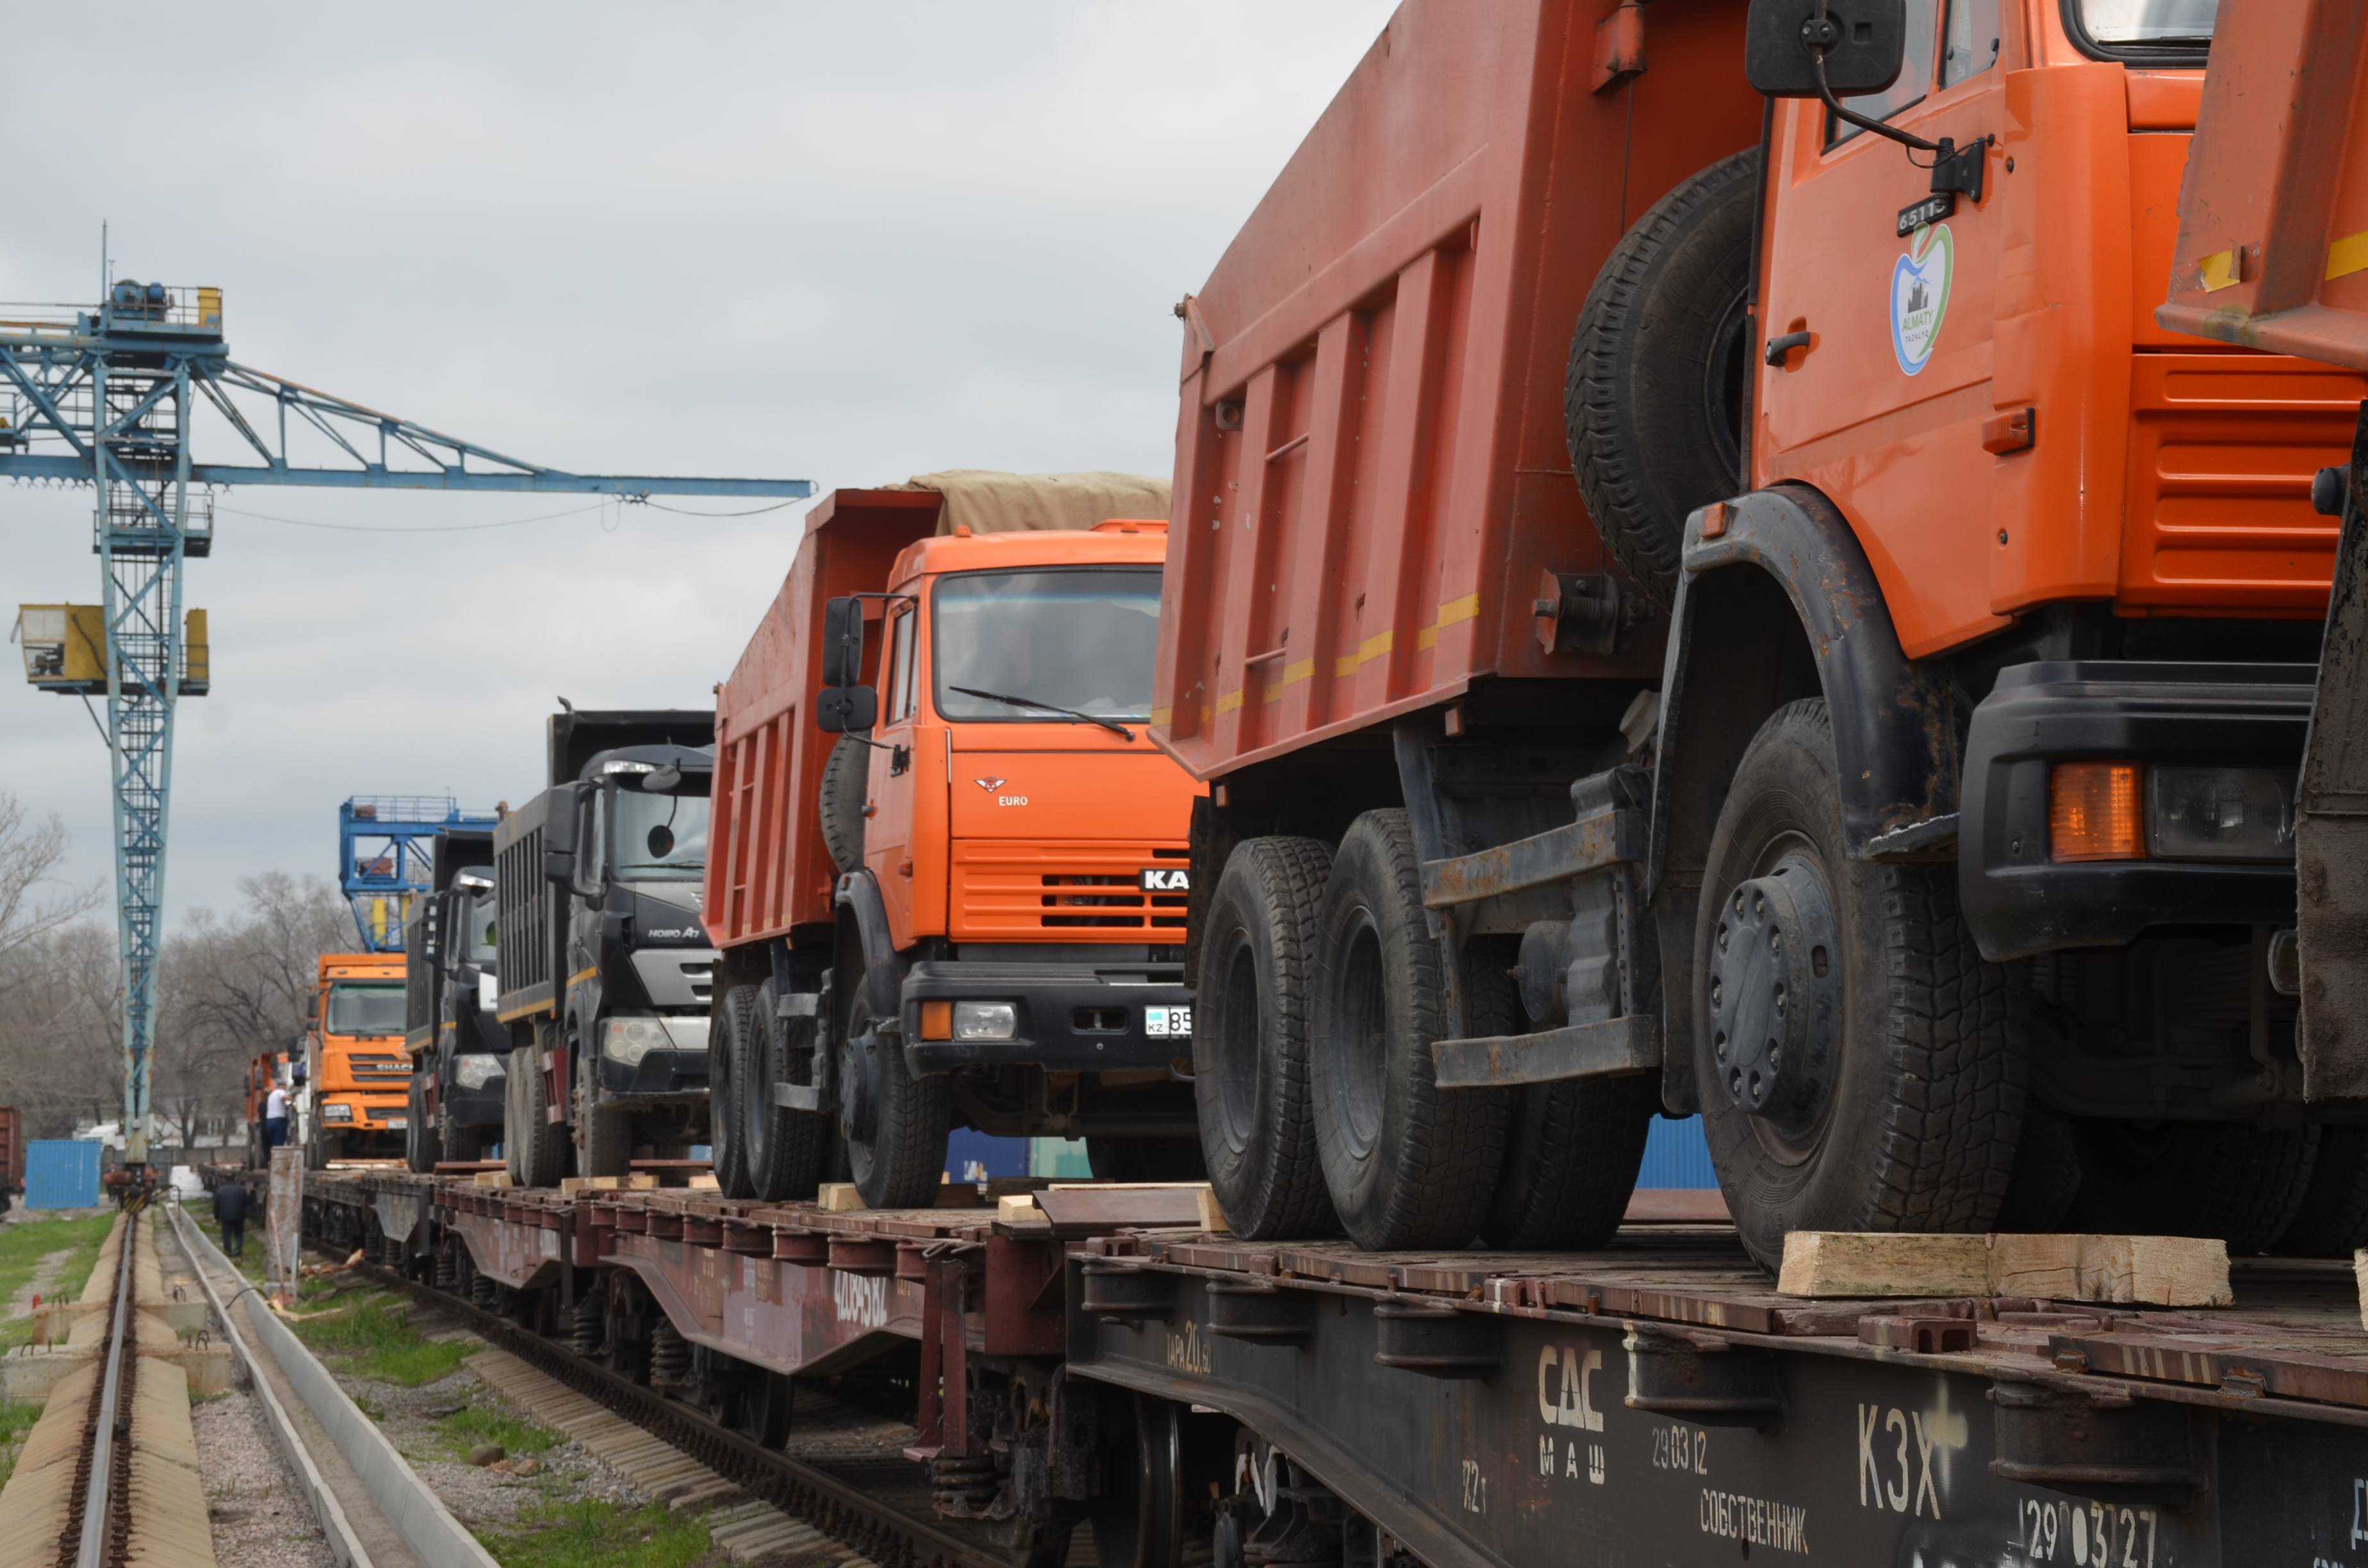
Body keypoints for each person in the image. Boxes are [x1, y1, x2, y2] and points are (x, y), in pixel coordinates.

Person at [213, 1175, 250, 1257]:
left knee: (227, 1233)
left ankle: (228, 1250)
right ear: (235, 1179)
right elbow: (247, 1202)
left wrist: (216, 1217)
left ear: (225, 1180)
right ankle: (238, 1249)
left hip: (225, 1216)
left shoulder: (220, 1190)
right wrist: (243, 1211)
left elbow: (216, 1205)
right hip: (239, 1216)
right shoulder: (241, 1189)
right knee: (239, 1233)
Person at [263, 1084, 290, 1150]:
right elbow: (284, 1097)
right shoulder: (281, 1092)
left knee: (274, 1145)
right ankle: (279, 1160)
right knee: (279, 1145)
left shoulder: (271, 1095)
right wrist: (294, 1099)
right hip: (278, 1121)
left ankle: (274, 1159)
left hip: (269, 1122)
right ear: (283, 1087)